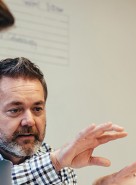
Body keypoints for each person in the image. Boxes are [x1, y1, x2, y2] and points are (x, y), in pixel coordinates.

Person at [0, 57, 128, 184]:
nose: (30, 121)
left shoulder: (59, 164)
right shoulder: (56, 162)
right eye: (15, 110)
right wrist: (54, 162)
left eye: (37, 109)